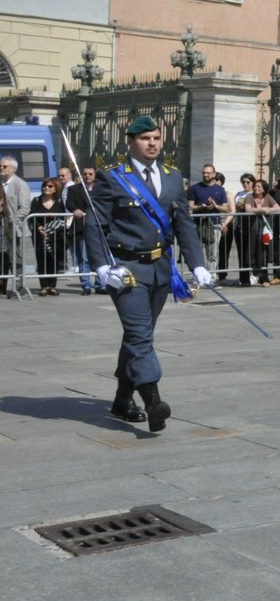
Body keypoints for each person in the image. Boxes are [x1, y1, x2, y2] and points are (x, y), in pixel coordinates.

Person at [87, 115, 210, 432]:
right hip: (126, 270)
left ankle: (120, 399)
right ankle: (154, 402)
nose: (152, 143)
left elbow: (183, 223)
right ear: (130, 142)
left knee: (137, 336)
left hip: (160, 269)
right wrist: (102, 266)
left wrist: (197, 263)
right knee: (141, 336)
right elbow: (95, 224)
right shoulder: (113, 177)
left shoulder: (172, 177)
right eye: (145, 139)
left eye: (156, 138)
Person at [29, 177, 70, 295]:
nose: (46, 188)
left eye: (50, 186)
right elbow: (32, 216)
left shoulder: (58, 202)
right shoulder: (36, 200)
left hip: (55, 235)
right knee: (41, 260)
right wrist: (39, 228)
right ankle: (43, 286)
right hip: (39, 234)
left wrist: (53, 230)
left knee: (53, 259)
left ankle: (52, 286)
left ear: (55, 189)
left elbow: (61, 217)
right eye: (45, 186)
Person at [186, 163, 228, 272]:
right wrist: (201, 206)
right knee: (197, 252)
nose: (205, 175)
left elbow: (226, 208)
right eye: (204, 173)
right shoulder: (194, 188)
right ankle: (198, 276)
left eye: (208, 173)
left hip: (214, 224)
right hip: (198, 224)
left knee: (212, 253)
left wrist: (216, 206)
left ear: (214, 174)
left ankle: (212, 277)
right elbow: (190, 206)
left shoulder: (220, 190)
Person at [61, 165, 96, 295]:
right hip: (82, 227)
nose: (87, 176)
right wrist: (75, 209)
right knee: (84, 257)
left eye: (90, 174)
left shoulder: (100, 188)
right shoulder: (74, 189)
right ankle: (86, 285)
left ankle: (100, 284)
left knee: (98, 257)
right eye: (85, 174)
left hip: (98, 228)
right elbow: (69, 203)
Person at [241, 175, 279, 286]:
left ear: (264, 189)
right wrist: (262, 209)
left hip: (264, 229)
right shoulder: (249, 197)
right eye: (255, 186)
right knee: (252, 251)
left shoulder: (268, 197)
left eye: (259, 186)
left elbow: (278, 208)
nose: (256, 188)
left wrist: (268, 210)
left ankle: (264, 278)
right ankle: (250, 276)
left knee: (264, 251)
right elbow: (248, 209)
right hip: (252, 229)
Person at [0, 156, 28, 297]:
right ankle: (2, 286)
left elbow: (24, 208)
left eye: (4, 166)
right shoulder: (2, 183)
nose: (1, 168)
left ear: (13, 168)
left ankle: (19, 286)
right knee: (3, 256)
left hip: (13, 225)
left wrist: (13, 220)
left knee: (15, 257)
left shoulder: (19, 184)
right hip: (2, 223)